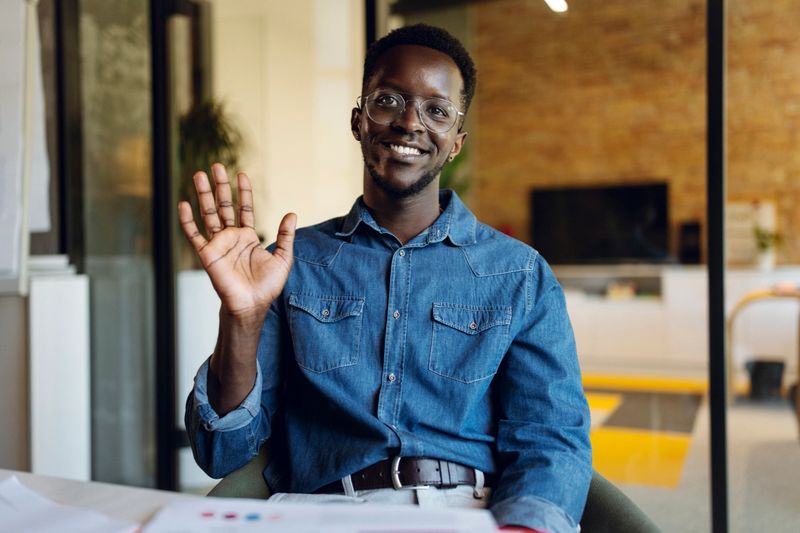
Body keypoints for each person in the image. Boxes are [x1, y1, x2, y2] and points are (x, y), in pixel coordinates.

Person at [181, 24, 591, 533]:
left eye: (436, 110)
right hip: (317, 514)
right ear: (359, 121)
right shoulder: (292, 262)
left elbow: (551, 439)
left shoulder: (520, 273)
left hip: (466, 513)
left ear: (456, 142)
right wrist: (240, 318)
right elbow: (220, 452)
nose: (409, 123)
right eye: (389, 100)